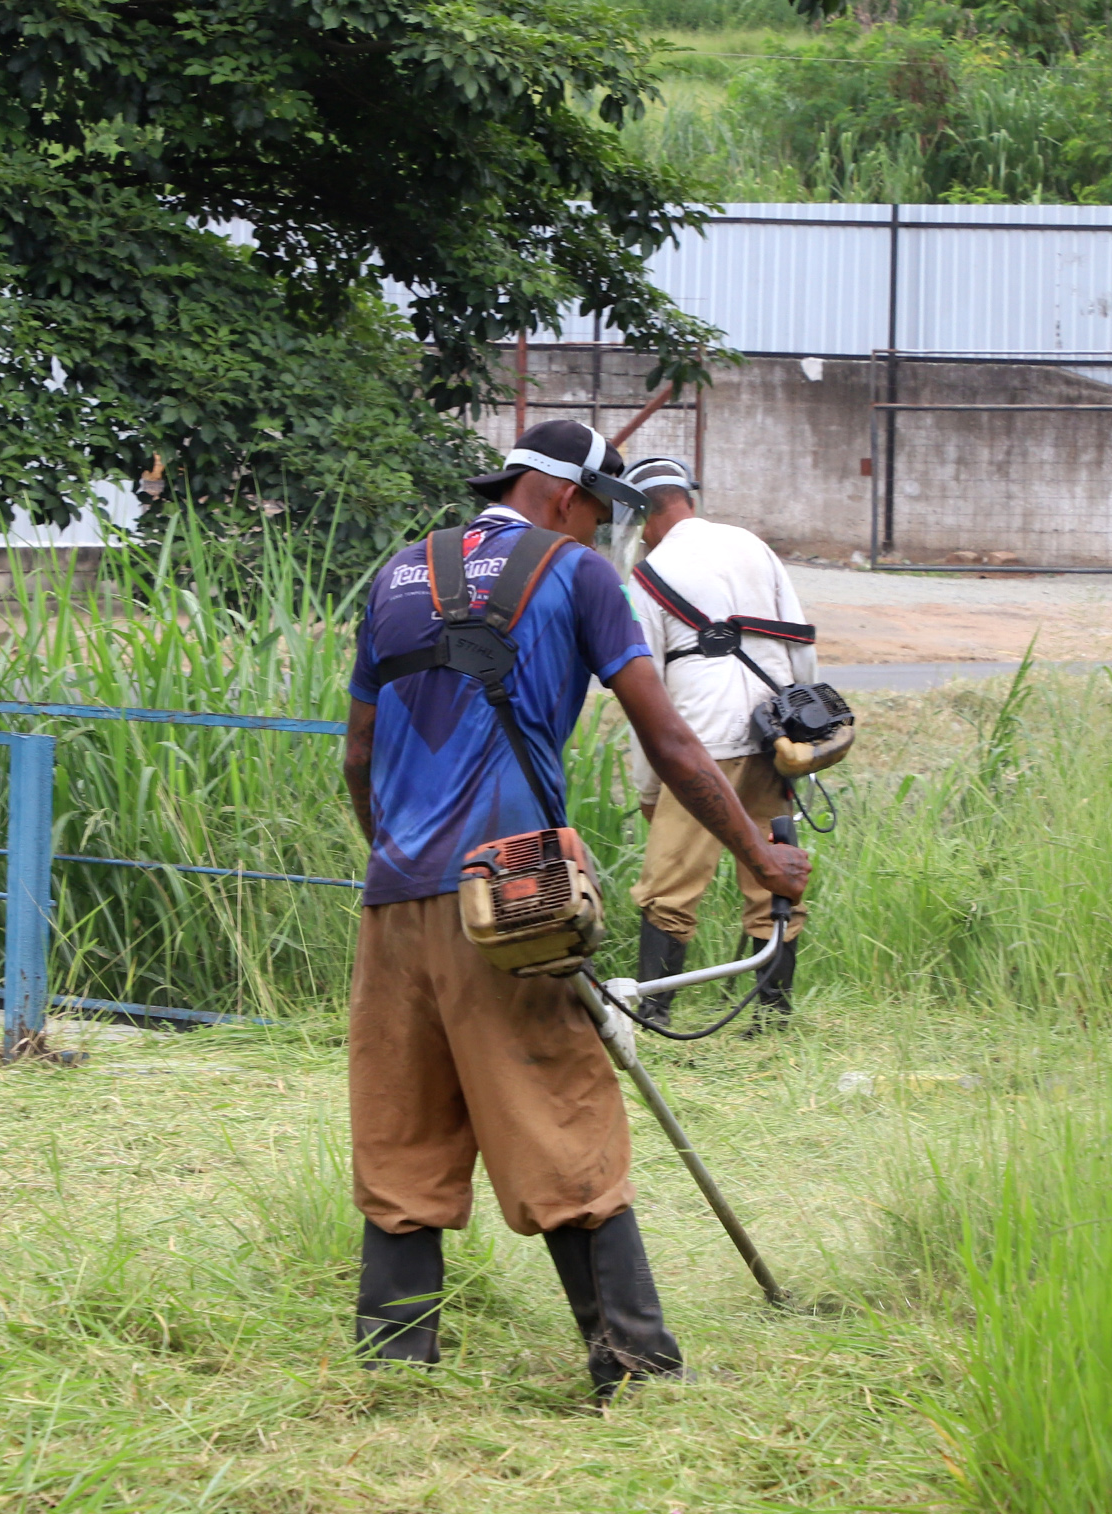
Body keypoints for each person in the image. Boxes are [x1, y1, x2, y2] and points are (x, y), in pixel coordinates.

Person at [342, 419, 811, 1399]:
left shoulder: (395, 576)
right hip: (512, 892)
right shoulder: (577, 573)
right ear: (565, 497)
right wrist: (758, 853)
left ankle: (392, 1370)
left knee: (402, 1129)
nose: (607, 533)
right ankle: (634, 1362)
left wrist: (404, 861)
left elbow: (357, 758)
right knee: (563, 1116)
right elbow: (675, 743)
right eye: (604, 511)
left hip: (392, 898)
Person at [619, 454, 819, 1027]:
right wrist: (799, 734)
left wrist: (650, 785)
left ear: (638, 515)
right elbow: (801, 644)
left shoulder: (647, 575)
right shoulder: (753, 547)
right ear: (689, 498)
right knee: (772, 878)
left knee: (669, 886)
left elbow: (643, 693)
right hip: (774, 734)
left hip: (700, 742)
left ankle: (653, 1018)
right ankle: (772, 1019)